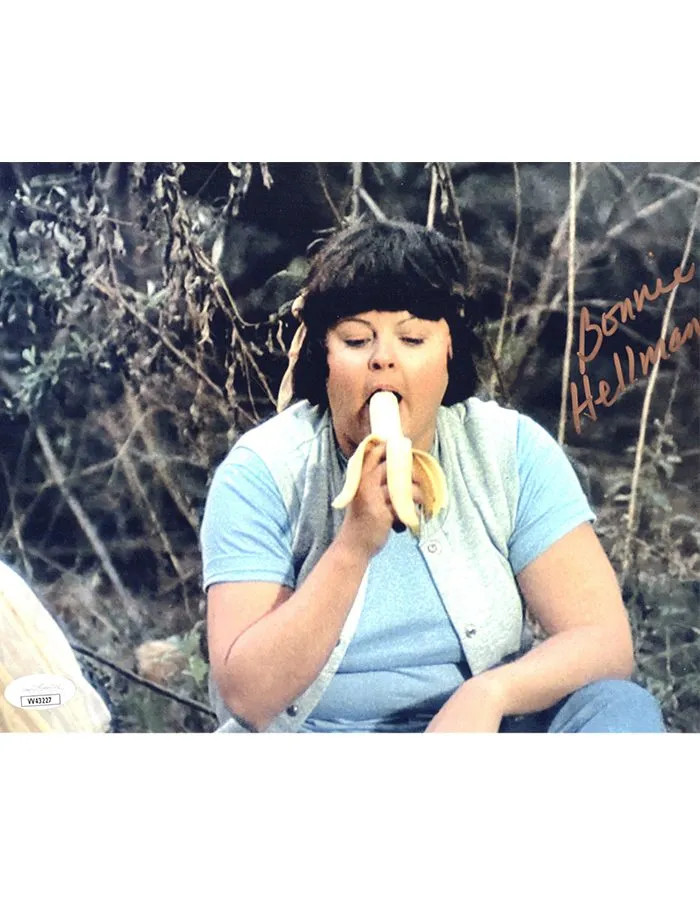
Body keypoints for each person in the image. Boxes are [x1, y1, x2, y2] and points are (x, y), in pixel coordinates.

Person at [200, 219, 665, 733]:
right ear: (323, 355)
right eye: (356, 339)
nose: (383, 360)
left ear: (448, 349)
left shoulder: (510, 451)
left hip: (477, 733)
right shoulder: (261, 472)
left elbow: (604, 641)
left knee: (618, 707)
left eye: (412, 337)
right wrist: (354, 546)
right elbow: (247, 697)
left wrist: (490, 693)